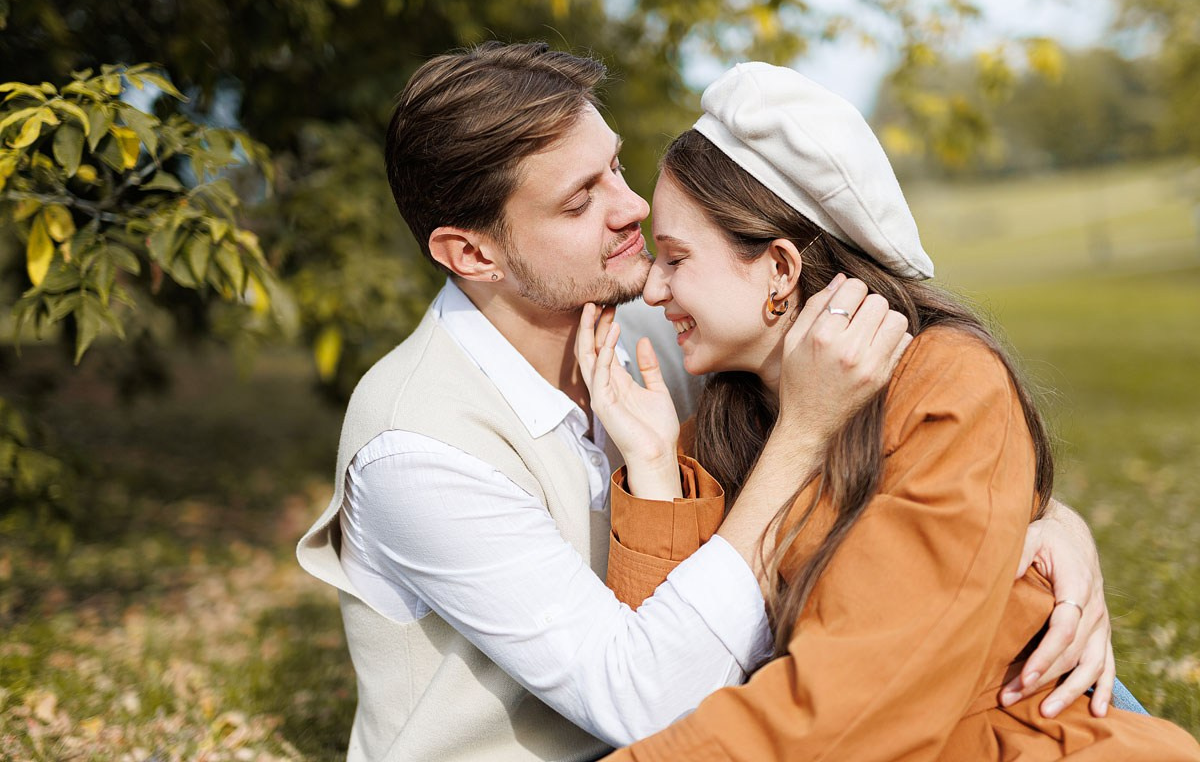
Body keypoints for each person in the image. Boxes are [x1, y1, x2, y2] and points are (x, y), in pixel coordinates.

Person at [295, 42, 1117, 762]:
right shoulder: (417, 446)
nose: (633, 210)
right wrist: (801, 432)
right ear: (470, 251)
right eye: (581, 201)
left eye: (614, 165)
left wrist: (1050, 526)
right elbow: (643, 700)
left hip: (731, 720)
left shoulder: (663, 333)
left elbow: (927, 455)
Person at [578, 61, 1200, 760]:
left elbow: (866, 694)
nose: (653, 291)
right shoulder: (717, 429)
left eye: (676, 258)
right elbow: (665, 687)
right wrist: (657, 467)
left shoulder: (946, 384)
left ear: (780, 270)